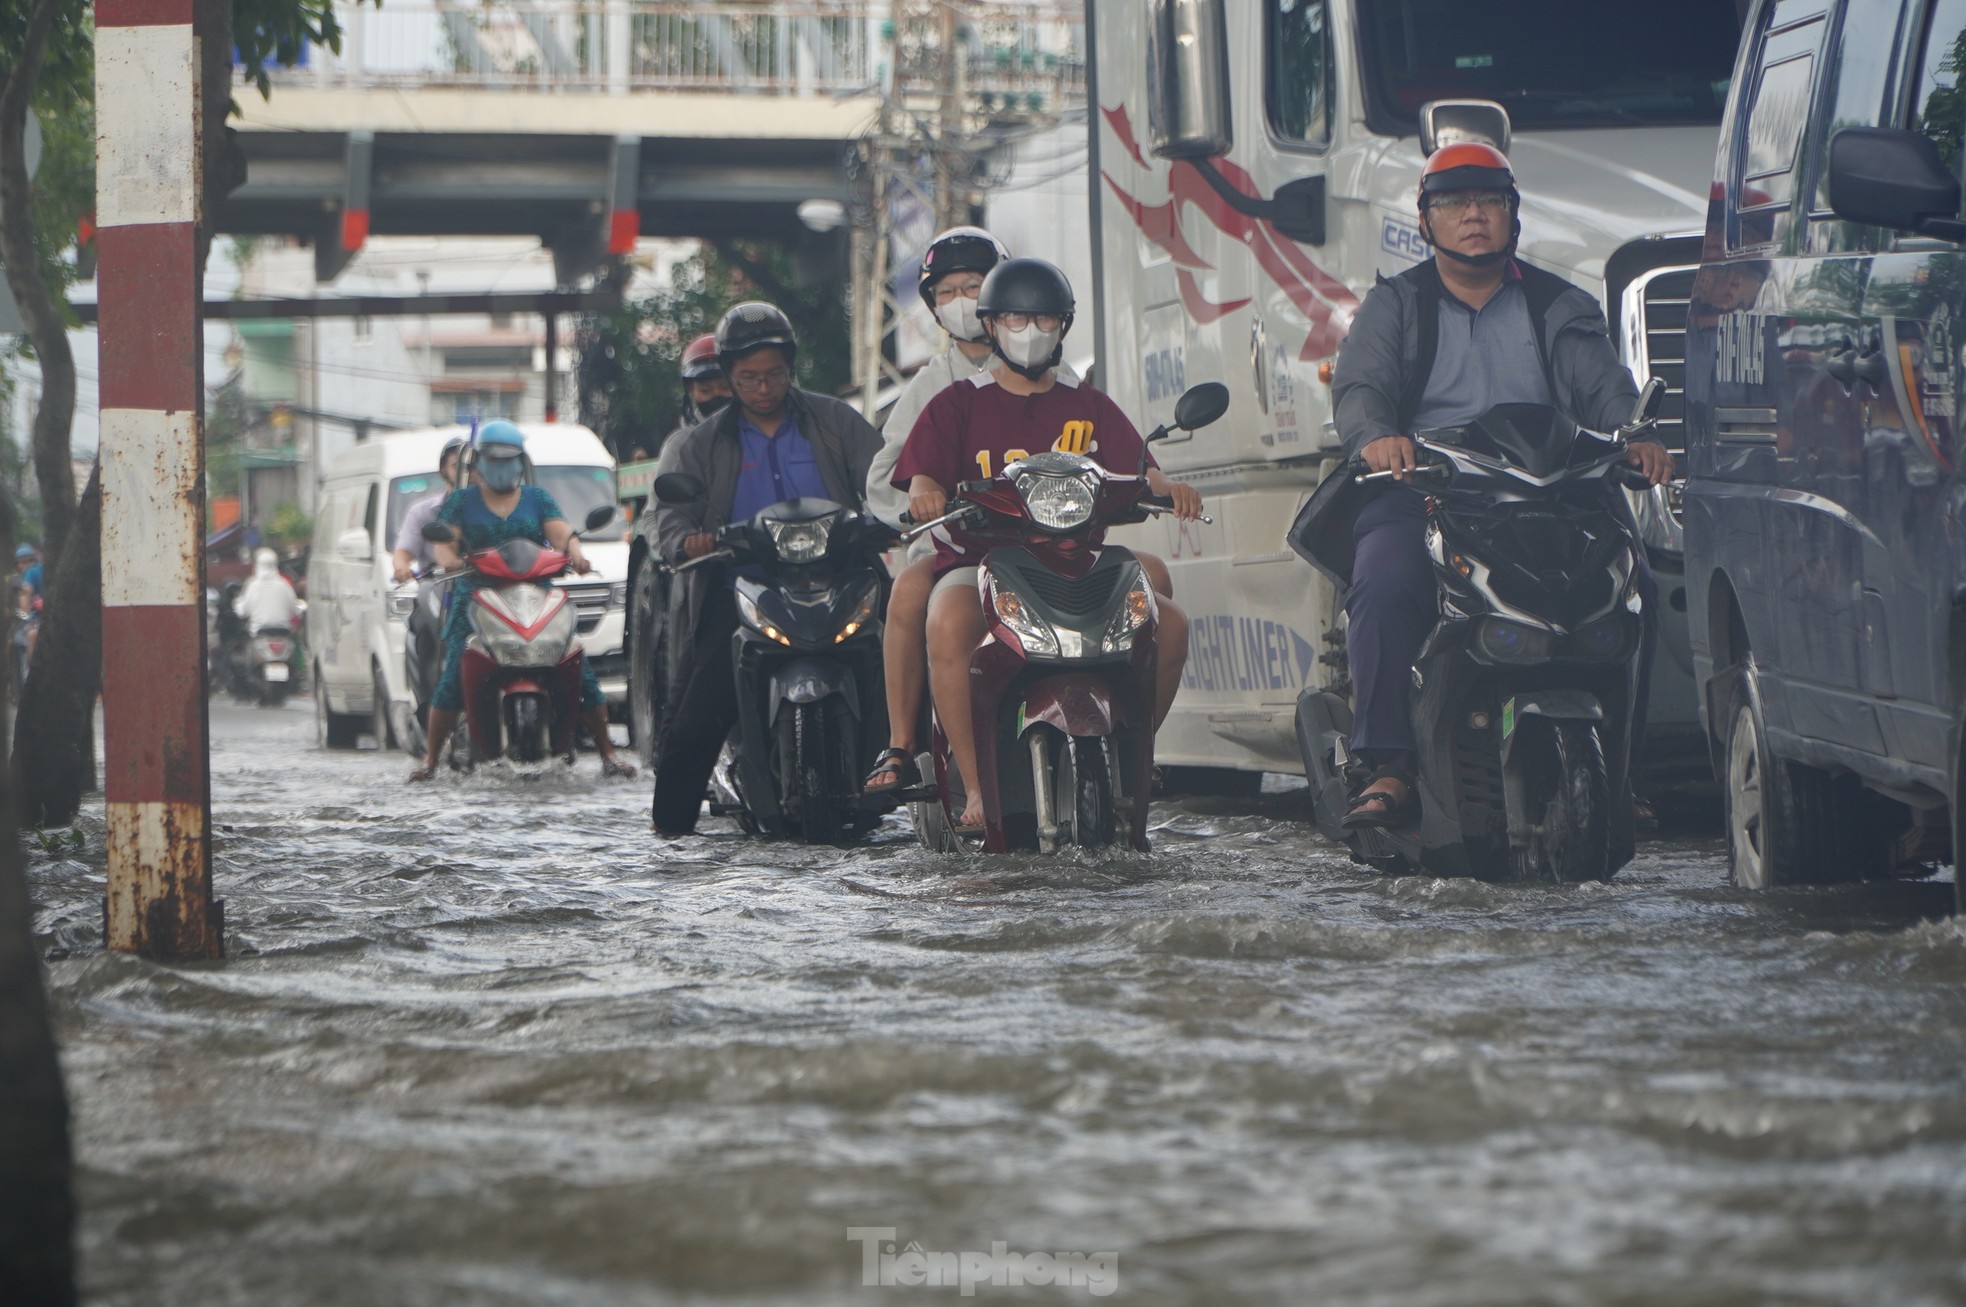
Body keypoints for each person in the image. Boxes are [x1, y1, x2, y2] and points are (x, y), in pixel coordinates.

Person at [1329, 141, 1673, 830]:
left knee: (1635, 588)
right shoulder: (1393, 306)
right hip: (1429, 489)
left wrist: (1632, 434)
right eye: (1453, 203)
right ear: (1426, 222)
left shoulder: (1559, 304)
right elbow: (1361, 388)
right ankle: (1389, 764)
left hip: (1551, 494)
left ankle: (1623, 770)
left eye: (1490, 200)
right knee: (1386, 578)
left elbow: (1604, 387)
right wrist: (1377, 435)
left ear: (1514, 215)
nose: (1474, 215)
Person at [890, 257, 1203, 833]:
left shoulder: (1088, 403)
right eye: (1015, 318)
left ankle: (1133, 756)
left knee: (1173, 624)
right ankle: (979, 788)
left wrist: (1169, 488)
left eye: (1044, 319)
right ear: (991, 325)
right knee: (947, 620)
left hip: (1077, 565)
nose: (1030, 331)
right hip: (983, 564)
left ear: (1063, 326)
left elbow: (1141, 471)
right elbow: (922, 477)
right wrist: (927, 494)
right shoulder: (957, 401)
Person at [648, 301, 883, 835]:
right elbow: (670, 519)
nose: (762, 387)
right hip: (742, 590)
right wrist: (688, 540)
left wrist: (894, 513)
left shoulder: (836, 421)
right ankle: (670, 840)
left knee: (918, 665)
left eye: (774, 374)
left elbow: (886, 479)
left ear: (790, 368)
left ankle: (946, 795)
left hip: (841, 582)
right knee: (690, 727)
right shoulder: (699, 444)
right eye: (748, 377)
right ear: (728, 377)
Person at [863, 226, 1015, 796]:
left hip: (1048, 545)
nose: (961, 301)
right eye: (947, 292)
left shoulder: (1056, 373)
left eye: (973, 286)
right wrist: (931, 503)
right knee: (906, 591)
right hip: (960, 548)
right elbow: (885, 480)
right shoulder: (932, 387)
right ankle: (901, 744)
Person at [410, 420, 637, 782]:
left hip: (537, 594)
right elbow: (445, 542)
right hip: (479, 596)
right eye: (493, 458)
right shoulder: (460, 501)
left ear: (521, 461)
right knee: (454, 673)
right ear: (479, 461)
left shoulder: (538, 498)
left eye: (509, 459)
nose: (502, 466)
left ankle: (608, 753)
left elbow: (562, 534)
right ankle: (430, 760)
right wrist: (449, 558)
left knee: (578, 666)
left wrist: (576, 554)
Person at [392, 436, 468, 584]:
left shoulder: (490, 508)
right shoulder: (421, 512)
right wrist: (402, 568)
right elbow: (403, 552)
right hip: (438, 589)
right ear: (443, 471)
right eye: (457, 466)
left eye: (470, 467)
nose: (465, 473)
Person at [234, 547, 301, 633]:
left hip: (258, 633)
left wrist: (236, 603)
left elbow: (242, 612)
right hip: (283, 633)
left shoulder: (253, 585)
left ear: (257, 564)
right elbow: (295, 610)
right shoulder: (283, 584)